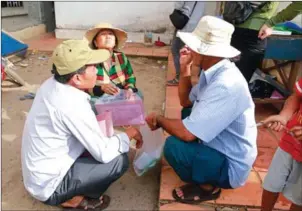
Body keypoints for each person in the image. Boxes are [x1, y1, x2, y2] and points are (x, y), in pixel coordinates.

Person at [145, 16, 257, 204]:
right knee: (188, 114)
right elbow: (186, 101)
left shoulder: (225, 85)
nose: (191, 50)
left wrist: (159, 119)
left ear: (207, 52)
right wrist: (185, 68)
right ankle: (205, 166)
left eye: (195, 47)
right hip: (222, 146)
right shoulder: (215, 70)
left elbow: (187, 134)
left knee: (174, 146)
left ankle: (208, 186)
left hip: (231, 166)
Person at [21, 40, 143, 210]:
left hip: (40, 173)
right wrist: (129, 134)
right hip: (49, 185)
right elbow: (104, 153)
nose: (96, 70)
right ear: (77, 78)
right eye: (93, 67)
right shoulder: (71, 104)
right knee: (118, 160)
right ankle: (71, 199)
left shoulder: (51, 85)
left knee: (106, 139)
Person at [226, 1, 302, 83]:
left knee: (227, 77)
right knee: (238, 82)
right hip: (254, 31)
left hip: (231, 26)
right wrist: (272, 22)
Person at [260, 78, 302, 211]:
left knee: (299, 197)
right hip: (290, 142)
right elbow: (296, 97)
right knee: (271, 183)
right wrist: (284, 116)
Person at [84, 23, 141, 99]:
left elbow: (130, 77)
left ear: (115, 43)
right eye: (103, 34)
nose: (108, 36)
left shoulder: (121, 57)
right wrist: (101, 88)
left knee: (138, 96)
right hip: (98, 97)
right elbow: (84, 85)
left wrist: (129, 89)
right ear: (95, 43)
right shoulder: (90, 61)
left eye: (110, 34)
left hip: (120, 94)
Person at [167, 1, 205, 86]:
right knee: (191, 52)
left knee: (176, 49)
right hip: (196, 23)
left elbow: (178, 5)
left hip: (184, 23)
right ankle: (190, 76)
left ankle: (180, 77)